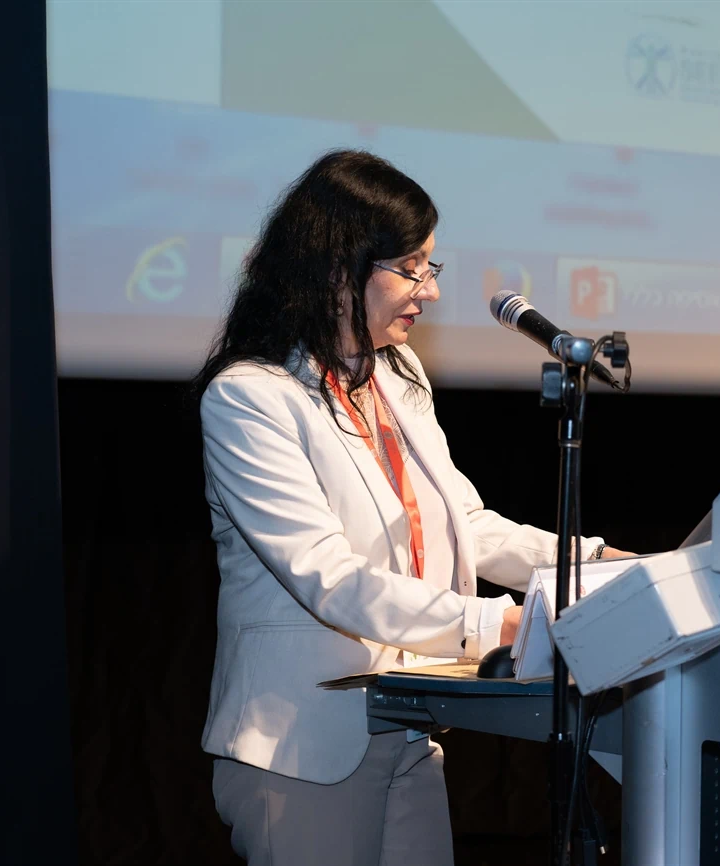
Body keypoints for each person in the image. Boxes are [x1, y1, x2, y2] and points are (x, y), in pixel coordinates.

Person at [193, 150, 631, 866]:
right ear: (337, 268)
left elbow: (466, 524)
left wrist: (595, 561)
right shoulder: (250, 397)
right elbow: (328, 577)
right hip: (301, 746)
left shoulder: (397, 374)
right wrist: (498, 624)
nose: (429, 290)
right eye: (411, 268)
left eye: (431, 267)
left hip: (407, 721)